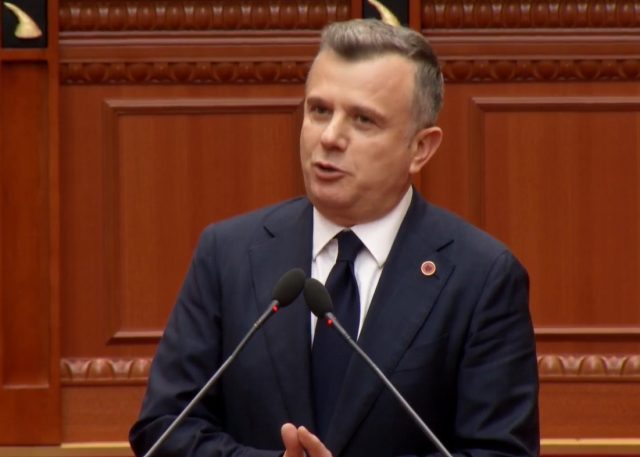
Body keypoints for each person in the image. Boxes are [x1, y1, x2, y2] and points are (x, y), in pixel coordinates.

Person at [129, 18, 539, 457]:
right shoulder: (228, 253)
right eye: (319, 111)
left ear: (420, 148)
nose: (329, 137)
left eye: (363, 120)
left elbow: (501, 452)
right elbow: (164, 427)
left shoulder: (481, 278)